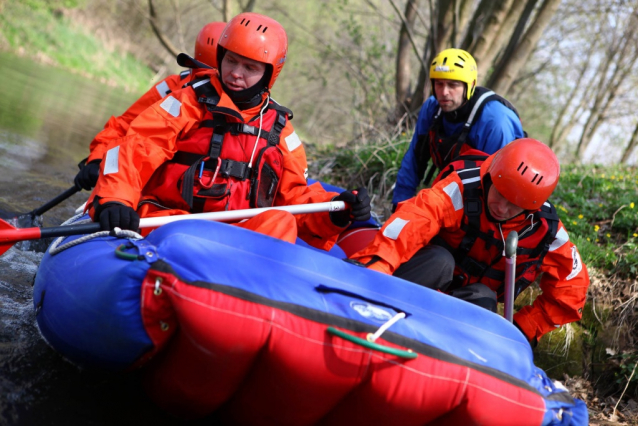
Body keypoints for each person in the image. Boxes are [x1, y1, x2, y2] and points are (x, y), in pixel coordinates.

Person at [87, 12, 370, 250]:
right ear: (220, 56)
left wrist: (334, 209)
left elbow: (295, 197)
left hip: (234, 237)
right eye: (231, 60)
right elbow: (135, 148)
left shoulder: (280, 129)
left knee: (281, 221)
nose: (236, 73)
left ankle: (243, 296)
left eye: (250, 67)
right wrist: (116, 199)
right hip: (170, 223)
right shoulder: (186, 101)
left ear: (270, 74)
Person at [352, 138, 589, 346]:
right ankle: (371, 311)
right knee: (440, 260)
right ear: (491, 176)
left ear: (531, 206)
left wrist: (523, 328)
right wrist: (378, 265)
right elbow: (414, 219)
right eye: (500, 193)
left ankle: (443, 354)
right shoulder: (461, 187)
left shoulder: (546, 229)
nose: (502, 208)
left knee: (484, 297)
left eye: (514, 205)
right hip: (424, 278)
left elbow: (572, 288)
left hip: (466, 304)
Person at [73, 21, 227, 191]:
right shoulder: (170, 87)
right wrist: (97, 159)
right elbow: (125, 126)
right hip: (148, 189)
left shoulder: (249, 107)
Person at [392, 48, 525, 209]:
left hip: (494, 200)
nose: (444, 92)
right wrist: (399, 205)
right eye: (439, 84)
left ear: (470, 86)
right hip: (453, 190)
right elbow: (414, 159)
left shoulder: (495, 121)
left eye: (452, 85)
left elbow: (498, 186)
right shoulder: (432, 108)